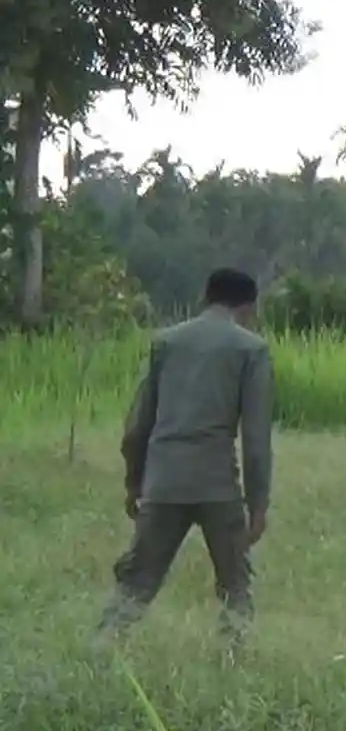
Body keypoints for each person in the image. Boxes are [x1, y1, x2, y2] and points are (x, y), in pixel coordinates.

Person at [99, 268, 274, 643]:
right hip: (217, 484)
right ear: (247, 306)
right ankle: (232, 663)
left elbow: (137, 426)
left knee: (135, 584)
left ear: (205, 297)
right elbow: (256, 438)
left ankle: (101, 651)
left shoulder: (166, 342)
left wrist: (135, 482)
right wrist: (258, 506)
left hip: (163, 482)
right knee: (236, 589)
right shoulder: (251, 350)